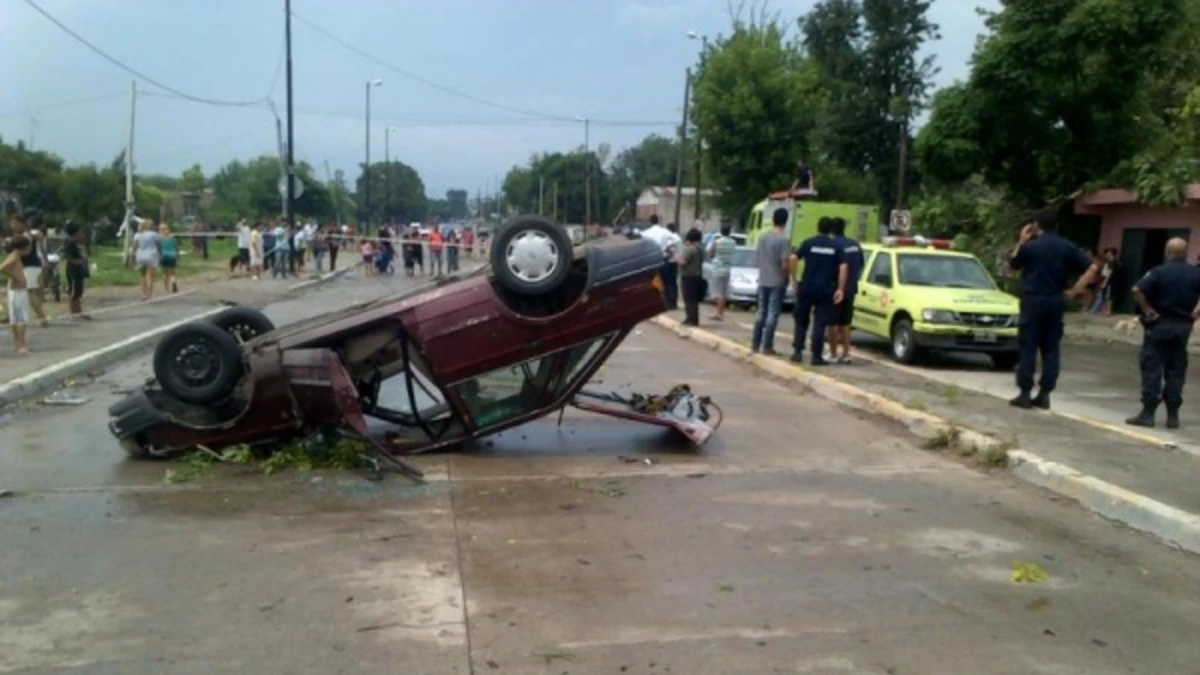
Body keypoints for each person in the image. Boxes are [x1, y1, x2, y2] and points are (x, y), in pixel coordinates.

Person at [1006, 210, 1098, 409]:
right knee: (1051, 348)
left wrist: (1021, 241)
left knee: (1028, 346)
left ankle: (1025, 392)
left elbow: (1012, 267)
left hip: (1033, 300)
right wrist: (1075, 290)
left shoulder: (1031, 247)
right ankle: (1045, 393)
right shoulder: (1067, 246)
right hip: (1055, 300)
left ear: (1036, 225)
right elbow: (1092, 268)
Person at [1125, 237, 1200, 429]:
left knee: (1152, 367)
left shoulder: (1159, 272)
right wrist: (1196, 313)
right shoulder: (1195, 273)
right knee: (1176, 369)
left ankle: (1148, 412)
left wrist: (1148, 310)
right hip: (1183, 326)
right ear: (1185, 252)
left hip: (1160, 324)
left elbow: (1137, 290)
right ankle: (1173, 414)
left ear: (1168, 252)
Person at [788, 217, 847, 366]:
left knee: (801, 320)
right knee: (820, 323)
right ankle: (816, 356)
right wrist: (840, 289)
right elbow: (843, 268)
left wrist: (793, 278)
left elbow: (793, 257)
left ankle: (797, 352)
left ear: (818, 228)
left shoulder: (809, 243)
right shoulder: (835, 247)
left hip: (807, 287)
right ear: (831, 230)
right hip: (825, 289)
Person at [750, 208, 792, 355]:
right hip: (777, 280)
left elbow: (757, 257)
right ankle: (767, 346)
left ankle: (755, 344)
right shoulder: (783, 240)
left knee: (761, 311)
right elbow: (785, 263)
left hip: (763, 279)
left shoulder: (762, 237)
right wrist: (787, 277)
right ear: (785, 221)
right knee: (772, 313)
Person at [826, 217, 864, 363]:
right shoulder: (855, 245)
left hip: (836, 289)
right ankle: (847, 354)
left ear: (832, 230)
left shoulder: (833, 245)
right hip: (851, 289)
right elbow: (861, 265)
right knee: (846, 322)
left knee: (833, 322)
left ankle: (833, 354)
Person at [9, 214, 49, 326]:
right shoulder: (20, 235)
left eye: (15, 223)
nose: (13, 226)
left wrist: (13, 253)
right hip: (27, 266)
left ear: (22, 224)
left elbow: (27, 251)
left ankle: (42, 317)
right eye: (12, 223)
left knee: (30, 293)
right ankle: (39, 316)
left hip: (30, 266)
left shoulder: (27, 235)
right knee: (29, 293)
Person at [1, 235, 31, 353]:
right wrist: (16, 277)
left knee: (15, 319)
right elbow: (3, 268)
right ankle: (21, 344)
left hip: (15, 290)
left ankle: (18, 344)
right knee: (21, 318)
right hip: (18, 291)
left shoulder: (15, 256)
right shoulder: (15, 256)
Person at [706, 223, 738, 322]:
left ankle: (719, 314)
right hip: (727, 268)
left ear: (721, 231)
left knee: (717, 293)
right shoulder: (733, 242)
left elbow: (710, 253)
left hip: (717, 268)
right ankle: (720, 313)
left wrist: (713, 254)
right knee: (723, 293)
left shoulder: (717, 242)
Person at [678, 228, 706, 326]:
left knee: (688, 298)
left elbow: (683, 262)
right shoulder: (701, 249)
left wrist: (677, 259)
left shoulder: (689, 249)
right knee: (694, 299)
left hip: (688, 276)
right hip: (697, 275)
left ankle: (690, 318)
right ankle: (694, 318)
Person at [62, 222, 89, 320]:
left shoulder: (76, 243)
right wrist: (75, 261)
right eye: (80, 231)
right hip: (73, 270)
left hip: (79, 270)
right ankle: (73, 312)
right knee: (73, 293)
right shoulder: (69, 243)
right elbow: (67, 255)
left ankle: (78, 312)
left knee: (78, 292)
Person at [133, 218, 161, 301]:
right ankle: (149, 294)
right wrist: (160, 253)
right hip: (151, 255)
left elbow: (135, 247)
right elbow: (158, 245)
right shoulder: (154, 234)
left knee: (142, 275)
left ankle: (143, 294)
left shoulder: (137, 235)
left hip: (140, 255)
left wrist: (133, 256)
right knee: (150, 276)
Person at [1091, 247, 1120, 315]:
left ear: (1111, 253)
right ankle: (1105, 310)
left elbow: (1110, 273)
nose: (1106, 255)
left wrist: (1104, 282)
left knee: (1109, 296)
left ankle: (1108, 310)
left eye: (1108, 253)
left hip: (1111, 282)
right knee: (1106, 296)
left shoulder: (1113, 262)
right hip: (1107, 282)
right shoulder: (1109, 262)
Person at [158, 224, 179, 293]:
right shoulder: (172, 238)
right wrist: (177, 254)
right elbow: (176, 247)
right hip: (172, 256)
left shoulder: (159, 238)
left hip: (163, 256)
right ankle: (173, 281)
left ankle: (166, 288)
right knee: (172, 272)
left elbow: (158, 248)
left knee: (164, 273)